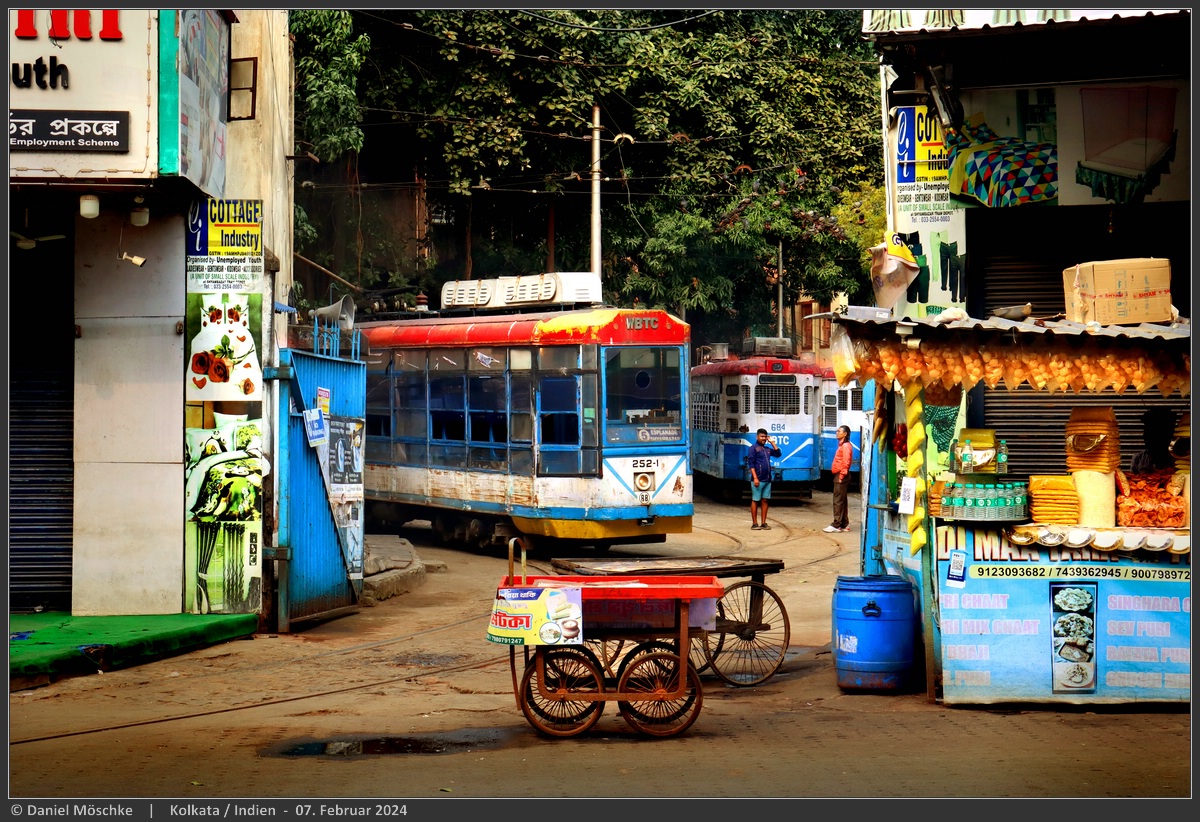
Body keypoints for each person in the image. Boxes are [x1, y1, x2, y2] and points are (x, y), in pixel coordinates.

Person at [747, 428, 781, 530]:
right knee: (755, 500)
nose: (763, 439)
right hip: (758, 479)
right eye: (761, 436)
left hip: (767, 479)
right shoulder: (753, 448)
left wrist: (772, 443)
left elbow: (778, 454)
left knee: (765, 500)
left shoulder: (767, 449)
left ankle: (764, 523)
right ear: (757, 437)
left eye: (765, 437)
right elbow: (751, 464)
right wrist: (755, 478)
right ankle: (754, 523)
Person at [825, 425, 853, 532]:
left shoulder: (845, 446)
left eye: (839, 431)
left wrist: (841, 476)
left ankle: (836, 525)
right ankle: (844, 524)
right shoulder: (843, 445)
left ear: (845, 434)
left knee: (837, 500)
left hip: (841, 475)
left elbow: (846, 462)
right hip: (841, 474)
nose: (837, 432)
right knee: (842, 500)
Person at [1131, 407, 1176, 474]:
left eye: (1154, 433)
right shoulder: (1138, 458)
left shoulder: (1179, 461)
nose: (1145, 436)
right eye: (1146, 431)